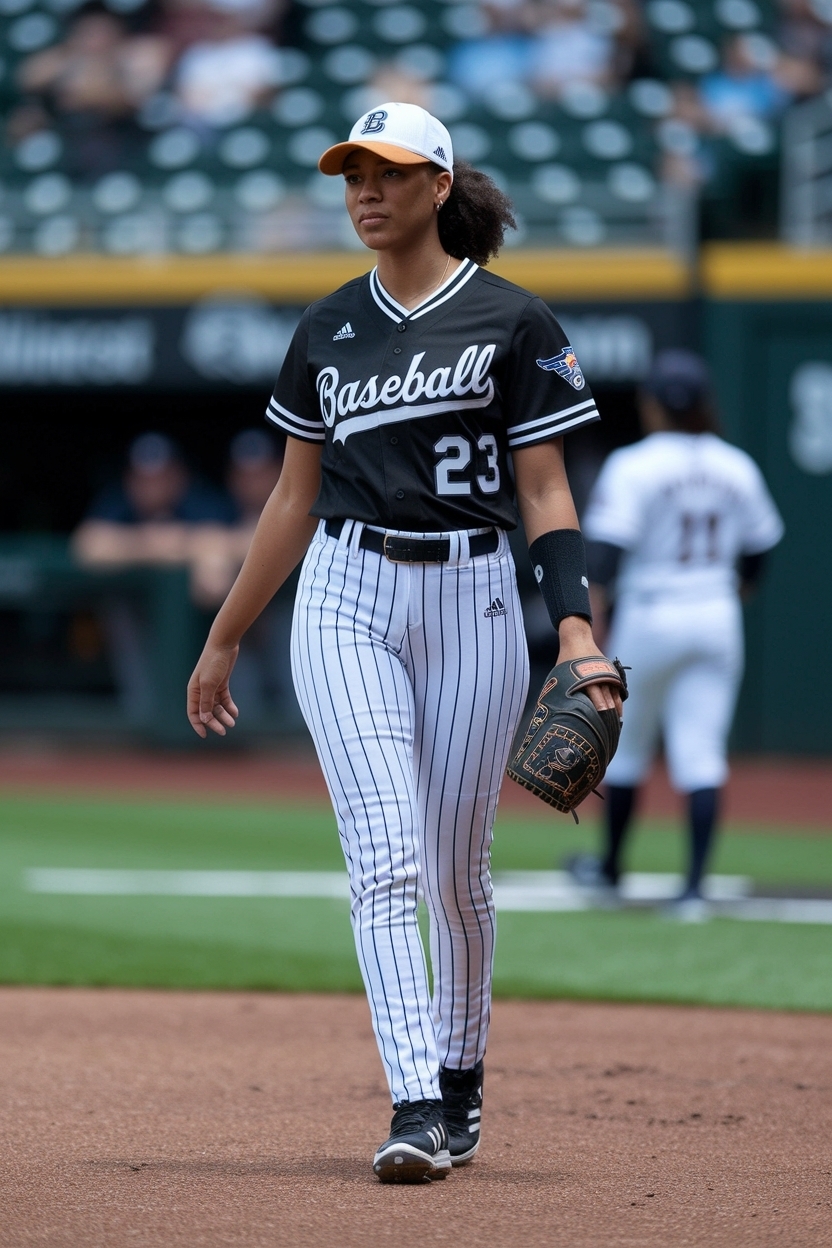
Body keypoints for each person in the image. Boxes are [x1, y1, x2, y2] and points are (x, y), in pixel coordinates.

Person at [187, 101, 622, 1183]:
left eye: (384, 173)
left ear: (438, 185)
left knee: (457, 876)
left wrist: (573, 628)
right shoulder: (326, 328)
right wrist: (226, 634)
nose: (364, 192)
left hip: (473, 598)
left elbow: (543, 488)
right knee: (382, 859)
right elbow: (290, 502)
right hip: (342, 592)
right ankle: (418, 1102)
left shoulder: (513, 320)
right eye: (350, 175)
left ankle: (464, 1071)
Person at [580, 349, 784, 919]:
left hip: (650, 611)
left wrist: (590, 629)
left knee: (627, 748)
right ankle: (694, 889)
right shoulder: (735, 464)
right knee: (701, 752)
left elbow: (606, 554)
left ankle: (612, 869)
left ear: (652, 404)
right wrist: (732, 590)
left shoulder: (634, 464)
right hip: (716, 614)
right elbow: (762, 548)